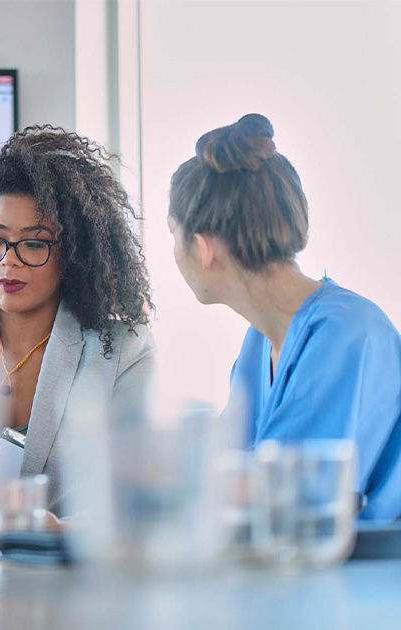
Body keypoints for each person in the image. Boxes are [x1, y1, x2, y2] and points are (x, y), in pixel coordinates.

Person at [168, 113, 401, 521]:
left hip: (362, 576)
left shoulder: (348, 332)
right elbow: (221, 470)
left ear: (204, 247)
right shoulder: (261, 341)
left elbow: (286, 493)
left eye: (174, 233)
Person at [0, 126, 155, 515]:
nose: (8, 261)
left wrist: (58, 533)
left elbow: (134, 496)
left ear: (74, 253)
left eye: (33, 243)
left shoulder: (124, 351)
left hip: (72, 571)